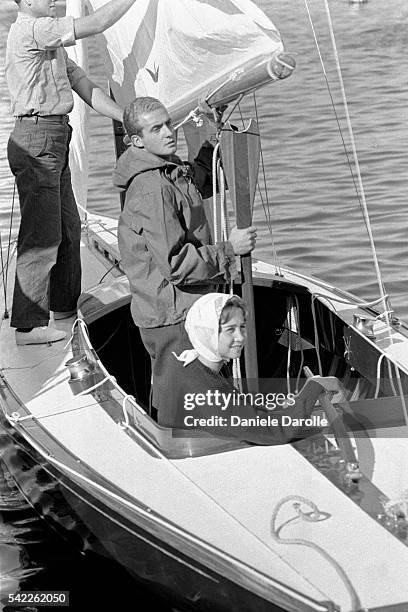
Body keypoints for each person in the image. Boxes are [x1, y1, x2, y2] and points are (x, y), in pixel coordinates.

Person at [115, 96, 257, 419]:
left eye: (168, 123)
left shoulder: (166, 170)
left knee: (183, 397)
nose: (169, 132)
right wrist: (230, 250)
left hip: (175, 309)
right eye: (157, 128)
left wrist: (212, 135)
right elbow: (176, 263)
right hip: (173, 317)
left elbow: (196, 179)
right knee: (182, 405)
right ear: (136, 140)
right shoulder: (152, 188)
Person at [6, 0, 138, 346]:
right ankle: (28, 326)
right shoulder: (34, 30)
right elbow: (95, 23)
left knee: (67, 226)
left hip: (54, 136)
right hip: (38, 138)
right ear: (27, 2)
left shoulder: (52, 44)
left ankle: (64, 308)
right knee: (42, 235)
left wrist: (127, 117)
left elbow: (84, 86)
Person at [163, 292, 325, 445]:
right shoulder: (206, 394)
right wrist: (315, 386)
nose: (240, 337)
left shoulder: (189, 364)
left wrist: (282, 406)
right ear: (208, 333)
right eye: (229, 330)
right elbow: (277, 431)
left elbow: (238, 411)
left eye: (242, 327)